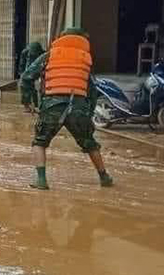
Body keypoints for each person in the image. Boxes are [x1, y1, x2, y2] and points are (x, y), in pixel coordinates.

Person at [21, 28, 114, 191]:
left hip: (51, 106)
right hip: (78, 108)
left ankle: (41, 180)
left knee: (40, 142)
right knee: (90, 143)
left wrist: (27, 102)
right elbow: (92, 91)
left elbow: (26, 77)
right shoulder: (86, 59)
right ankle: (104, 177)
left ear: (61, 39)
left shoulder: (48, 56)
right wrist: (89, 113)